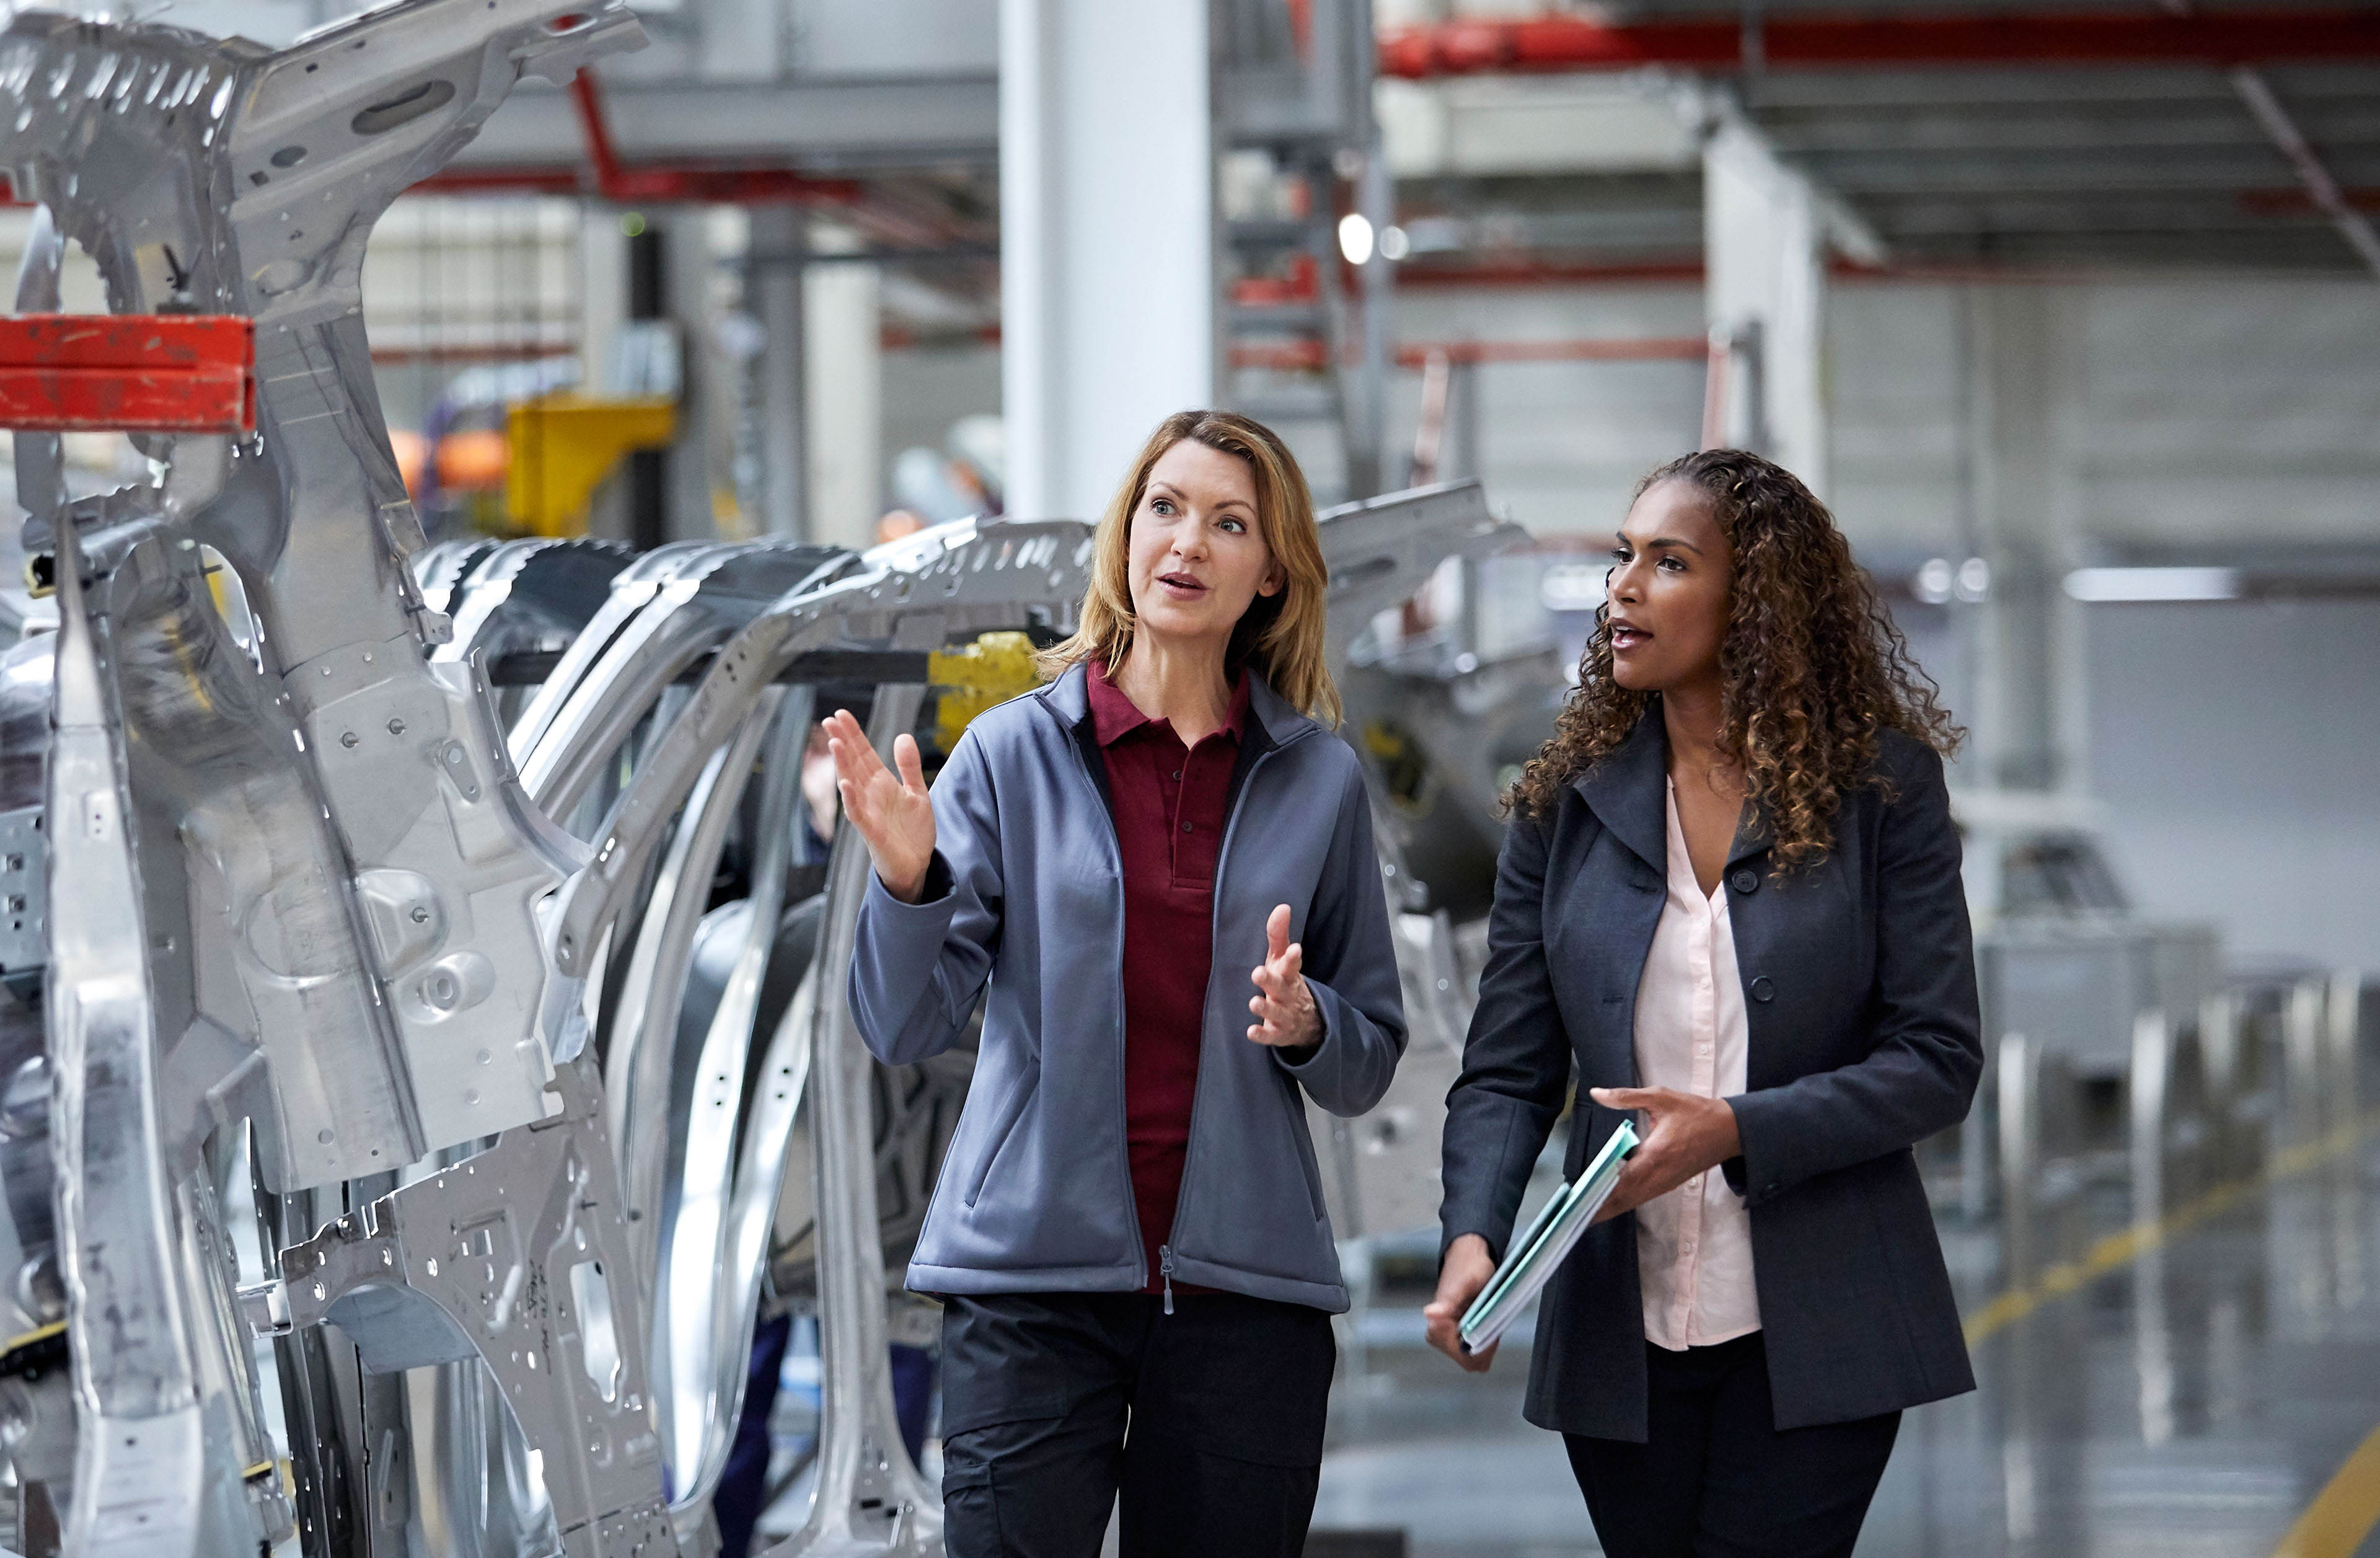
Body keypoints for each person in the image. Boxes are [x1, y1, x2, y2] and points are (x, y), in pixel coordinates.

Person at [832, 409, 1407, 1558]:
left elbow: (1369, 1051)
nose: (1187, 542)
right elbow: (903, 1023)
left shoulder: (1320, 780)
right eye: (1165, 507)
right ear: (1127, 537)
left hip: (1246, 1301)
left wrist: (1307, 1024)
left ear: (1271, 575)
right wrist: (907, 883)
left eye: (1228, 522)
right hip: (1031, 1292)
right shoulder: (1011, 753)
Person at [1426, 448, 1982, 1558]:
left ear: (1756, 606)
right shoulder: (1560, 805)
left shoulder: (1884, 790)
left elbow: (1936, 1056)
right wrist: (1474, 1233)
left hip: (1823, 1324)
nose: (1623, 588)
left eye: (1668, 563)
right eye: (1623, 558)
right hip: (1617, 1339)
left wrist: (1734, 1131)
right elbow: (1507, 1067)